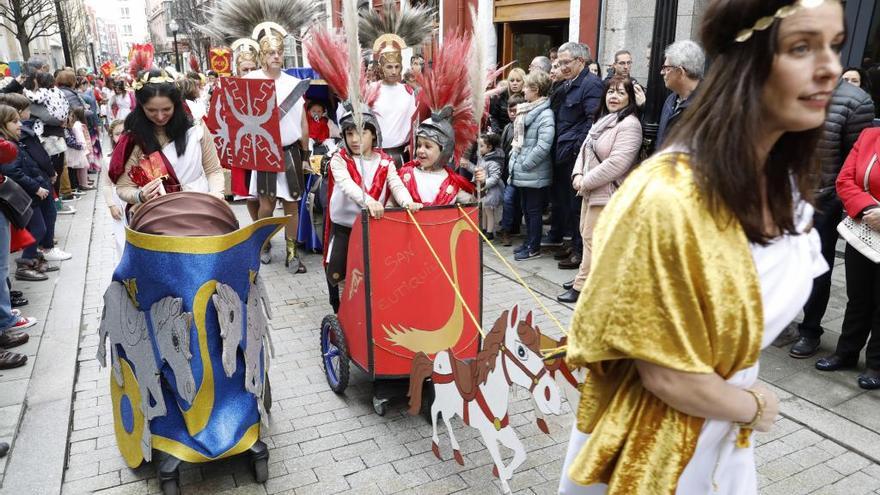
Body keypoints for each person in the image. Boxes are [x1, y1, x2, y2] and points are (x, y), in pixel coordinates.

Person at [559, 1, 841, 493]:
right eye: (802, 47)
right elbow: (667, 376)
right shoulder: (669, 196)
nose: (831, 67)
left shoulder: (787, 187)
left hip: (720, 434)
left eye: (835, 46)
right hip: (651, 446)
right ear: (743, 61)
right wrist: (754, 406)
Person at [788, 74, 874, 358]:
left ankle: (810, 330)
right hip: (784, 193)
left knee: (817, 268)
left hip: (822, 199)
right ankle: (779, 318)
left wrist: (833, 202)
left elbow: (855, 163)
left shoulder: (855, 100)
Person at [558, 75, 642, 303]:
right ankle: (587, 278)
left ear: (630, 98)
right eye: (610, 92)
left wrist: (585, 181)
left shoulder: (630, 125)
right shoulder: (602, 120)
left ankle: (582, 286)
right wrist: (577, 174)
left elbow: (616, 164)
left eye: (621, 93)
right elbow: (586, 149)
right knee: (588, 236)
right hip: (591, 190)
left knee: (593, 240)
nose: (614, 97)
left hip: (608, 193)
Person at [814, 126, 880, 388]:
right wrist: (869, 208)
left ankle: (876, 363)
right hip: (864, 230)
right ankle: (846, 352)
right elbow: (845, 180)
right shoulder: (869, 136)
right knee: (858, 296)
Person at [243, 26, 312, 271]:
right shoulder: (249, 82)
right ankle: (263, 244)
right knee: (267, 205)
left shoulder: (294, 83)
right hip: (264, 151)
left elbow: (303, 122)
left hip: (290, 150)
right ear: (262, 55)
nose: (276, 56)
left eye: (279, 52)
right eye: (271, 52)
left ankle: (292, 254)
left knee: (292, 204)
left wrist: (305, 155)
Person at [111, 69, 225, 212]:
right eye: (151, 110)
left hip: (200, 209)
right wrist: (140, 196)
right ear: (141, 107)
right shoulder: (134, 139)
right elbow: (123, 187)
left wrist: (216, 194)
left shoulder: (196, 127)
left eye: (166, 109)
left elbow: (213, 170)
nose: (160, 116)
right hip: (159, 216)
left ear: (176, 105)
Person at [545, 42, 603, 269]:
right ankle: (572, 245)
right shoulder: (567, 84)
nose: (562, 67)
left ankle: (579, 253)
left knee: (577, 206)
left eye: (566, 62)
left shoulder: (591, 85)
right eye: (559, 63)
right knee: (566, 205)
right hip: (563, 155)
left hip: (575, 157)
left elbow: (592, 122)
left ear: (581, 61)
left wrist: (575, 149)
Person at [359, 2, 433, 168]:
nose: (393, 71)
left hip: (402, 156)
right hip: (374, 156)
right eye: (389, 67)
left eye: (397, 66)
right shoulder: (371, 90)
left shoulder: (408, 92)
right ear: (381, 68)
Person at [0, 105, 69, 281]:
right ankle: (25, 264)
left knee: (39, 228)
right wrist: (36, 186)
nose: (19, 124)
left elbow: (29, 165)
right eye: (14, 121)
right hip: (23, 195)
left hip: (28, 193)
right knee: (38, 229)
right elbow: (13, 171)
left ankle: (32, 260)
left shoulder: (16, 141)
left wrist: (39, 181)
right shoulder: (7, 145)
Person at [509, 70, 555, 261]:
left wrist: (526, 164)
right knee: (527, 210)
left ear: (535, 90)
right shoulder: (526, 109)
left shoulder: (545, 114)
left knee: (534, 211)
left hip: (533, 172)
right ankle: (529, 242)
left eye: (527, 86)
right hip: (523, 169)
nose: (524, 90)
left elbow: (544, 145)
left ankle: (533, 247)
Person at [655, 40, 705, 148]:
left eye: (666, 68)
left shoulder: (706, 106)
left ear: (680, 72)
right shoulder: (670, 100)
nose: (662, 72)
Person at [498, 95, 524, 246]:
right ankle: (507, 229)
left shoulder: (524, 126)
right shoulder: (507, 127)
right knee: (508, 200)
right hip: (508, 170)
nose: (512, 113)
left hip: (522, 169)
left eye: (516, 110)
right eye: (510, 110)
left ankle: (513, 226)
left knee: (518, 201)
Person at [102, 119, 127, 261]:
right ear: (111, 136)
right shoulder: (107, 159)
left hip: (137, 199)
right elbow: (106, 185)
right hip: (119, 202)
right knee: (121, 239)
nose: (121, 136)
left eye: (124, 133)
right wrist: (111, 205)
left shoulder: (138, 153)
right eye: (118, 134)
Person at [488, 68, 526, 134]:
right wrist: (497, 131)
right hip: (501, 134)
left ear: (523, 82)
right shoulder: (501, 95)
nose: (514, 83)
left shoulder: (526, 97)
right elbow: (494, 117)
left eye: (518, 81)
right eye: (512, 80)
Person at [65, 107, 92, 192]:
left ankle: (80, 184)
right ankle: (79, 185)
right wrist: (82, 146)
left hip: (77, 148)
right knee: (76, 168)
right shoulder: (76, 125)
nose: (71, 117)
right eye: (70, 115)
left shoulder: (74, 125)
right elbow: (77, 138)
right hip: (76, 149)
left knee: (77, 168)